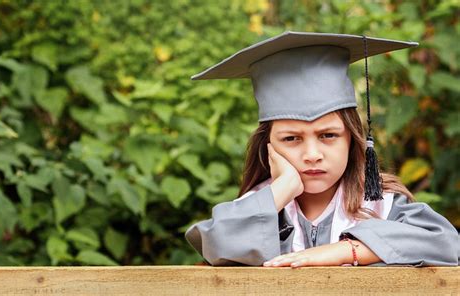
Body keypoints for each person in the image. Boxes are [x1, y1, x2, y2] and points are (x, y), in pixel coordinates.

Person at [184, 32, 459, 267]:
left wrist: (345, 251)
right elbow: (217, 242)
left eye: (328, 135)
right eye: (291, 139)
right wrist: (282, 189)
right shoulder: (260, 208)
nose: (312, 154)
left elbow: (446, 243)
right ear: (268, 146)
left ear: (351, 139)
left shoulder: (382, 206)